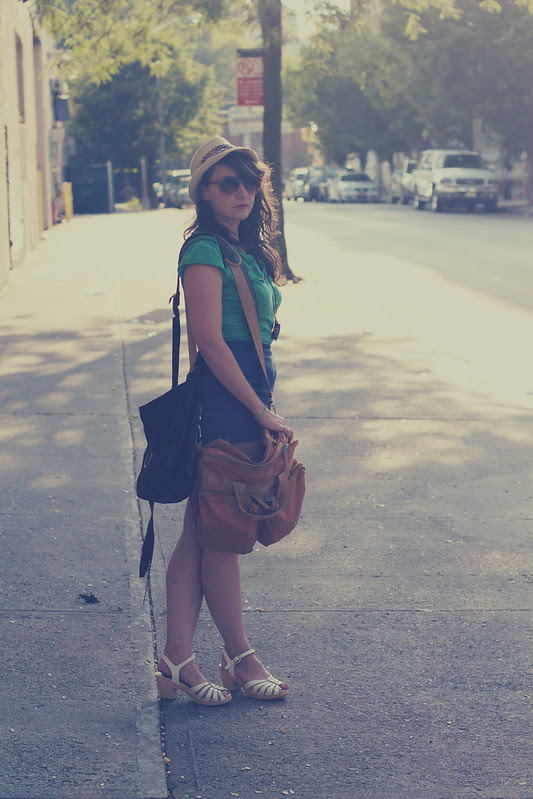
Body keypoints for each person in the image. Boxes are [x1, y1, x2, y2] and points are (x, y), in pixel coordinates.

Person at [155, 137, 293, 706]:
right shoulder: (205, 251)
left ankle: (175, 660)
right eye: (228, 183)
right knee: (226, 533)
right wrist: (259, 410)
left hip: (245, 392)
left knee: (200, 530)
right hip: (226, 400)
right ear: (204, 193)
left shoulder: (243, 249)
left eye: (249, 182)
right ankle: (238, 656)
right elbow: (210, 342)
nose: (242, 192)